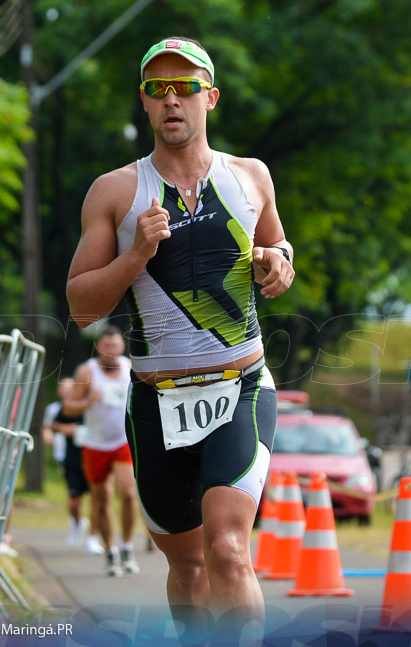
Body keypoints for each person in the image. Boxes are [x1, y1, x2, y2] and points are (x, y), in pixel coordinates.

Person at [65, 37, 295, 629]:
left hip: (239, 388)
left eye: (186, 87)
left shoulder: (251, 176)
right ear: (143, 103)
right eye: (158, 89)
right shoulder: (115, 192)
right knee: (188, 567)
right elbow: (82, 307)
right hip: (156, 402)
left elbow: (278, 244)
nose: (172, 100)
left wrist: (277, 262)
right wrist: (136, 252)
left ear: (210, 98)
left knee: (228, 550)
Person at [62, 327, 139, 576]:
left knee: (128, 493)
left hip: (123, 441)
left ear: (122, 347)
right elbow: (69, 407)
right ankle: (110, 551)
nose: (112, 351)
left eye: (116, 346)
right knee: (102, 500)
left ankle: (127, 546)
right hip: (95, 444)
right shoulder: (88, 371)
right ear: (98, 347)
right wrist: (87, 402)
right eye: (107, 346)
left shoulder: (131, 367)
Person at [42, 377, 101, 552]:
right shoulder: (64, 408)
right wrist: (65, 430)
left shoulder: (95, 405)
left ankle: (93, 537)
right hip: (72, 458)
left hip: (94, 456)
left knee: (97, 499)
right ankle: (77, 523)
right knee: (74, 500)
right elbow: (52, 425)